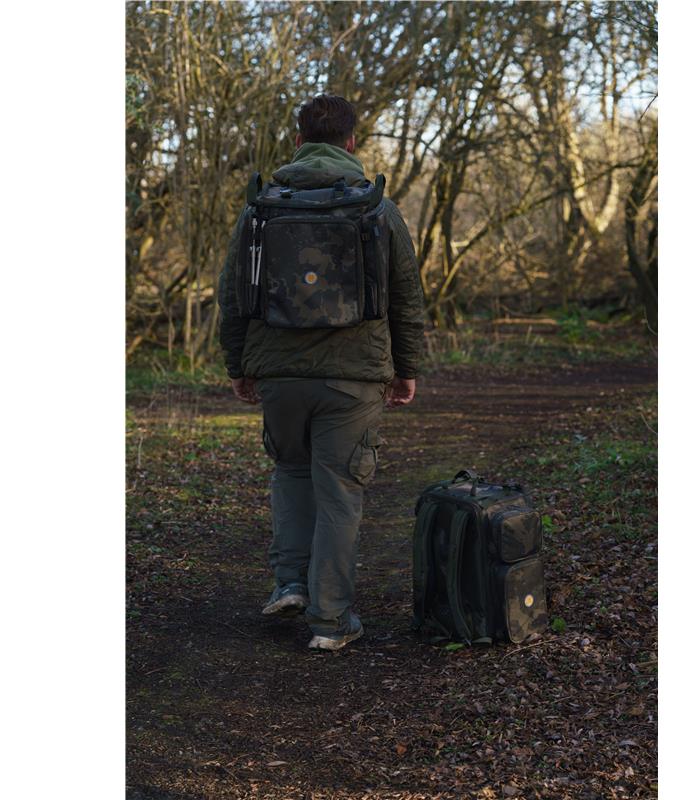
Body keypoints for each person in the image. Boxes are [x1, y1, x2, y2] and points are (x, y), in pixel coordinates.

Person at [217, 94, 425, 651]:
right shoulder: (376, 208)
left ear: (298, 141)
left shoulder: (261, 207)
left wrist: (239, 365)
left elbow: (232, 295)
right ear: (352, 143)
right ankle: (331, 621)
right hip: (354, 377)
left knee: (291, 471)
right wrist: (406, 369)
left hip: (279, 372)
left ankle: (290, 583)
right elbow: (406, 298)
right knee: (339, 491)